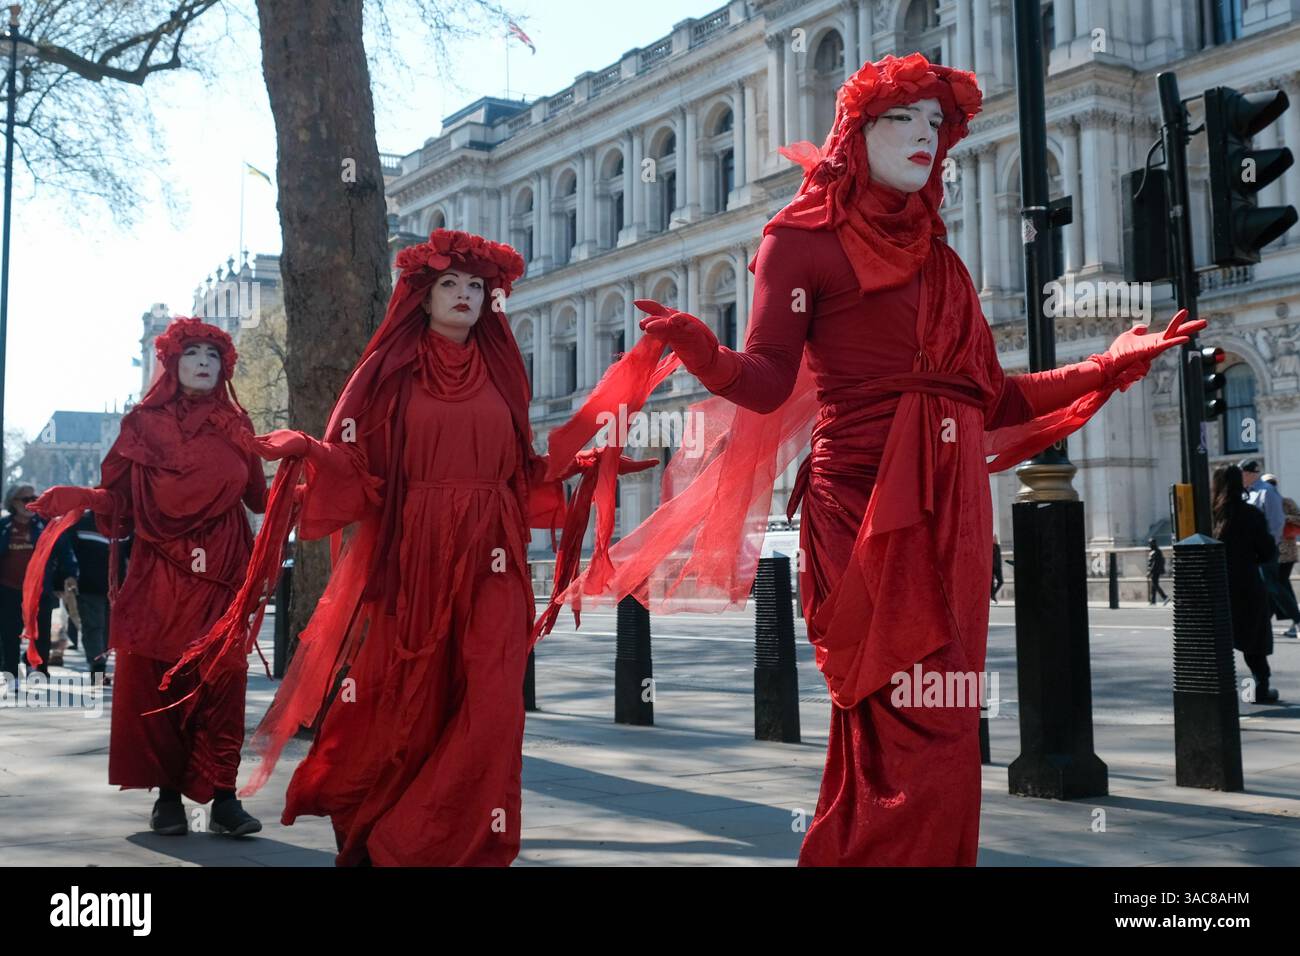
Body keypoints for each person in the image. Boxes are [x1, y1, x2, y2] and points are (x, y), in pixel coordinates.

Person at [528, 53, 1202, 866]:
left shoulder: (943, 260)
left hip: (950, 513)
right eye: (903, 120)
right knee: (913, 717)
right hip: (862, 506)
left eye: (935, 126)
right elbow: (770, 378)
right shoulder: (799, 244)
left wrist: (1109, 364)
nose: (926, 137)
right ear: (856, 131)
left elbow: (990, 399)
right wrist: (703, 352)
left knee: (944, 720)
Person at [178, 229, 652, 866]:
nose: (464, 296)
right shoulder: (386, 371)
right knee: (405, 701)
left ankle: (447, 838)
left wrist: (589, 464)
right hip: (412, 553)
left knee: (491, 698)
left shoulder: (504, 368)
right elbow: (354, 460)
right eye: (449, 285)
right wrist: (310, 452)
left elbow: (521, 468)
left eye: (476, 287)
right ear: (422, 296)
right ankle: (388, 831)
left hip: (493, 552)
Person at [30, 317, 267, 837]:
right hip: (161, 570)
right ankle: (168, 799)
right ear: (173, 363)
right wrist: (82, 500)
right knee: (163, 681)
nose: (204, 361)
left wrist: (308, 467)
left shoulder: (237, 424)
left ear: (223, 365)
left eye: (212, 353)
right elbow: (120, 507)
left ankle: (223, 798)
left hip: (223, 572)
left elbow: (260, 498)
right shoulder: (141, 425)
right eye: (193, 353)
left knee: (222, 683)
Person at [1213, 465, 1279, 703]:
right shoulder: (1250, 514)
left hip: (1216, 585)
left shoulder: (1209, 515)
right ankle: (1258, 688)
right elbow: (1268, 552)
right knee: (1253, 640)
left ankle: (1213, 690)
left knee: (1218, 639)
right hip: (1247, 582)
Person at [0, 483, 77, 686]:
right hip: (9, 589)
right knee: (10, 633)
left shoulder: (46, 525)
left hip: (40, 589)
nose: (30, 504)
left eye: (33, 499)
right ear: (13, 502)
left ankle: (40, 670)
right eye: (25, 499)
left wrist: (67, 577)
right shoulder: (3, 526)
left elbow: (64, 553)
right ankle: (11, 674)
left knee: (40, 633)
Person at [1241, 459, 1300, 634]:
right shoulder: (1248, 494)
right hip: (1257, 550)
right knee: (1267, 587)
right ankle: (1259, 625)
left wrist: (1267, 546)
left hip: (1273, 549)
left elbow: (1277, 523)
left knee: (1273, 585)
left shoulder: (1268, 493)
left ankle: (1296, 619)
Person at [1264, 473, 1300, 637]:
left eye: (1272, 483)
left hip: (1286, 552)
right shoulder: (1263, 501)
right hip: (1272, 552)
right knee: (1275, 587)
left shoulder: (1286, 502)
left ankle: (1295, 621)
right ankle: (1267, 621)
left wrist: (1284, 517)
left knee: (1277, 586)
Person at [1147, 537, 1169, 605]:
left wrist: (1150, 571)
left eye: (1150, 543)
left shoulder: (1156, 551)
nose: (1150, 544)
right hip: (1155, 570)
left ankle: (1165, 597)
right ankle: (1153, 601)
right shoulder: (1153, 551)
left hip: (1155, 571)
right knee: (1154, 585)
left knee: (1155, 585)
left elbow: (1155, 563)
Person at [990, 534, 1003, 603]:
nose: (996, 539)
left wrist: (1000, 567)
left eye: (996, 538)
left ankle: (992, 594)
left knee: (1001, 581)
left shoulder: (997, 547)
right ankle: (993, 596)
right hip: (992, 568)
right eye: (994, 538)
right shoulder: (990, 547)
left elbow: (999, 558)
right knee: (991, 583)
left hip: (998, 568)